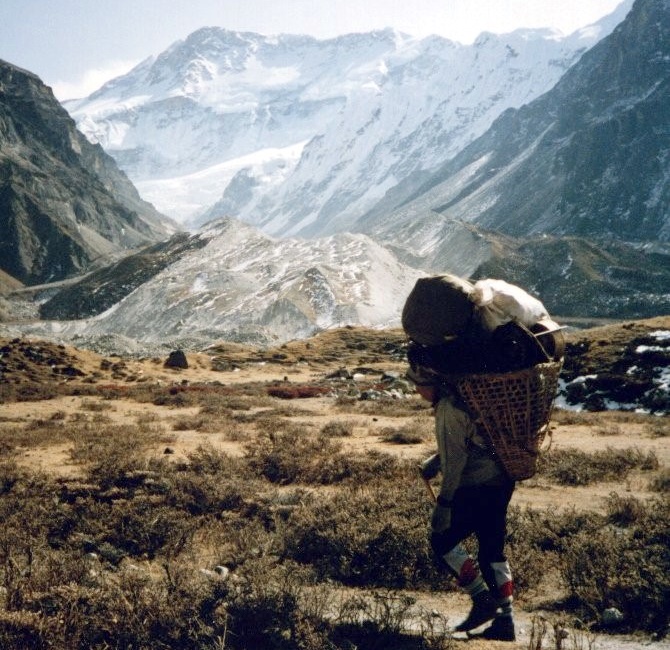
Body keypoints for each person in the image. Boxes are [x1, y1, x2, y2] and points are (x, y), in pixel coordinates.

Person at [408, 356, 517, 642]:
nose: (418, 391)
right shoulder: (470, 398)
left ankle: (482, 599)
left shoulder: (448, 407)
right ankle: (506, 621)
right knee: (492, 549)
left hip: (477, 484)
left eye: (419, 385)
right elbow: (477, 440)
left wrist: (443, 506)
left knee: (441, 539)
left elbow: (456, 462)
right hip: (502, 480)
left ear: (431, 383)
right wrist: (437, 460)